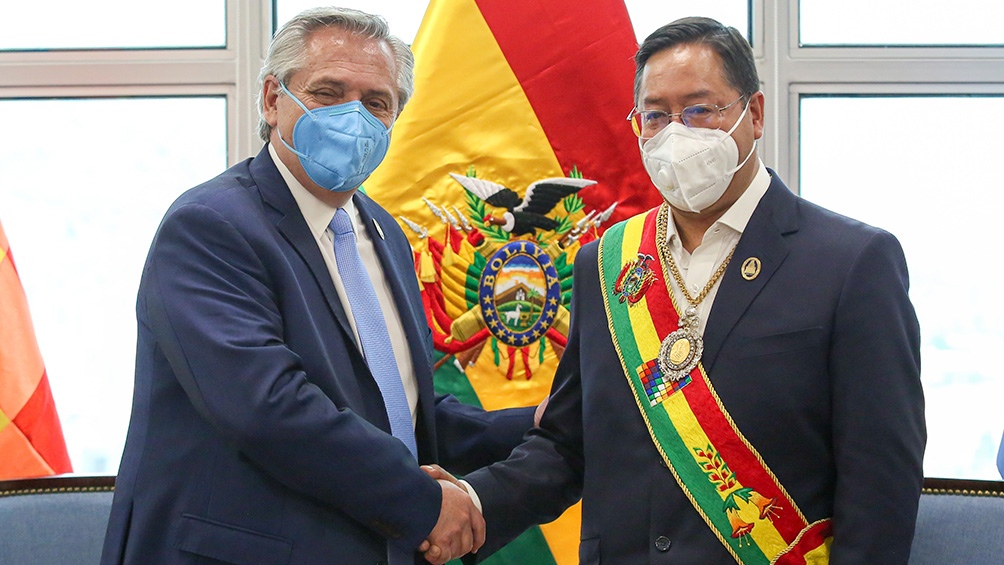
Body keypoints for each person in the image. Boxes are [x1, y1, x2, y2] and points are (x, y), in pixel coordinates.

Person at [443, 16, 926, 564]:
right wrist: (472, 504)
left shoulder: (852, 261)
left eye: (700, 109)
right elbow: (568, 444)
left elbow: (880, 477)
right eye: (656, 115)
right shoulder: (604, 261)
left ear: (755, 113)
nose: (677, 132)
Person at [100, 7, 535, 565]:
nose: (352, 116)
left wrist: (537, 423)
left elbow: (395, 412)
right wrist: (423, 503)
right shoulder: (211, 226)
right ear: (271, 99)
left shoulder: (385, 233)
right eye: (328, 91)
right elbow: (268, 408)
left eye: (376, 102)